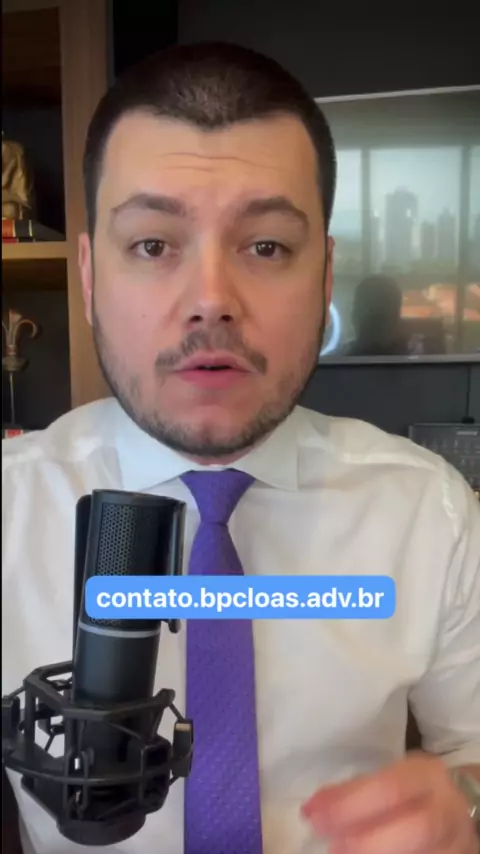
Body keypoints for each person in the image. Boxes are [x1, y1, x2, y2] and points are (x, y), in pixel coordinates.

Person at [2, 41, 479, 854]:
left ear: (324, 276)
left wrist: (463, 805)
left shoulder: (429, 512)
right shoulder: (10, 508)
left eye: (266, 247)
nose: (211, 301)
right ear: (87, 277)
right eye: (153, 245)